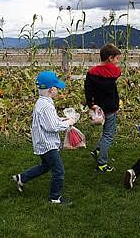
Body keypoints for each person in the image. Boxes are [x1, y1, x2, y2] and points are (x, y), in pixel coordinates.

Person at [12, 71, 75, 204]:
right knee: (59, 171)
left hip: (42, 142)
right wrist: (68, 123)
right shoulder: (46, 106)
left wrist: (62, 119)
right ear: (52, 90)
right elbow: (52, 127)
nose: (58, 90)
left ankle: (21, 178)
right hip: (48, 144)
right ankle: (55, 198)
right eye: (57, 88)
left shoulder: (43, 102)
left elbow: (51, 121)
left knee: (46, 166)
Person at [85, 43, 121, 172]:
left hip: (98, 108)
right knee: (108, 135)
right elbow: (117, 72)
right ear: (110, 58)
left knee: (106, 133)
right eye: (116, 59)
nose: (117, 62)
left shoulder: (91, 73)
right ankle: (102, 163)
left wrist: (91, 104)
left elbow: (88, 90)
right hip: (111, 108)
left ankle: (97, 150)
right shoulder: (115, 72)